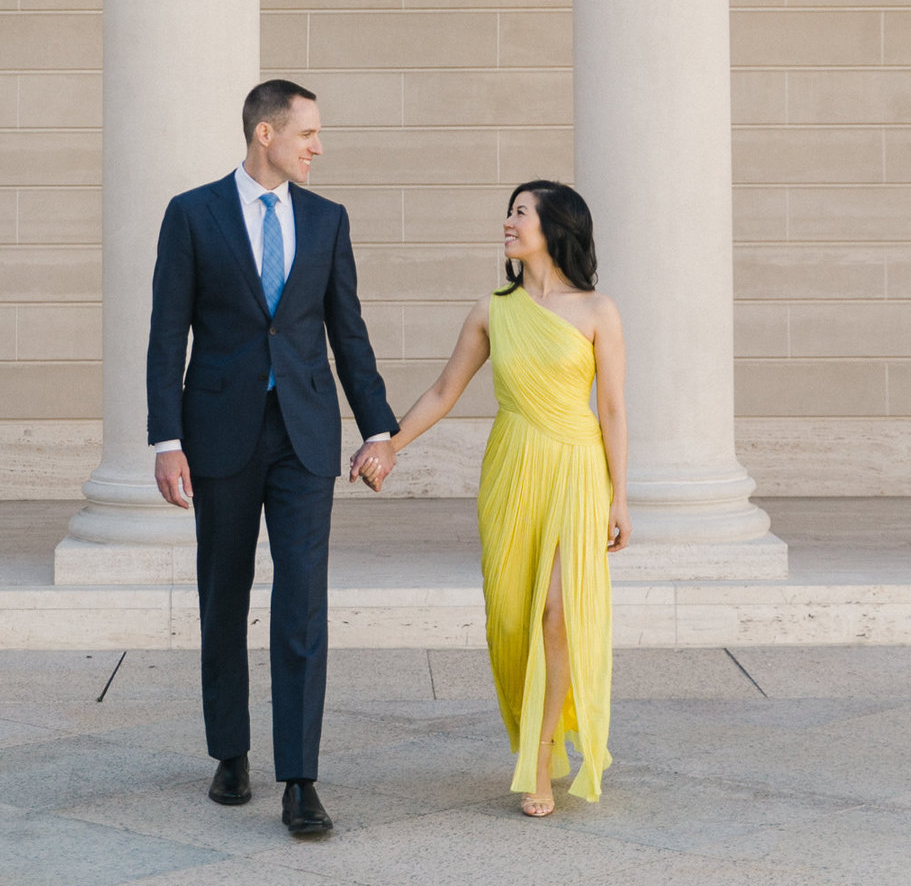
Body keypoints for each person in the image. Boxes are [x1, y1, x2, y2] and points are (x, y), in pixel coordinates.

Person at [147, 79, 398, 839]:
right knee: (224, 594)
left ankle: (300, 778)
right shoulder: (192, 214)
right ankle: (230, 751)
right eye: (308, 134)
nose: (318, 147)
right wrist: (166, 440)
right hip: (218, 432)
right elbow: (167, 335)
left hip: (304, 436)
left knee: (303, 605)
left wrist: (379, 426)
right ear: (265, 134)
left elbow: (346, 331)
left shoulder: (326, 220)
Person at [352, 179, 629, 816]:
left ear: (554, 227)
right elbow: (446, 390)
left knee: (558, 616)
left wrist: (621, 497)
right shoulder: (491, 309)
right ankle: (535, 730)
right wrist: (390, 445)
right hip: (512, 469)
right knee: (511, 620)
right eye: (509, 212)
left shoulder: (597, 311)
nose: (508, 222)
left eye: (521, 213)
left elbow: (612, 409)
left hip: (578, 470)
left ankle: (537, 758)